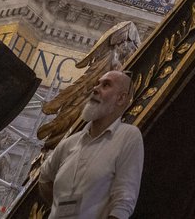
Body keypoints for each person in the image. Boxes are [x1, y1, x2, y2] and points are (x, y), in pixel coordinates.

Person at [37, 70, 144, 219]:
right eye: (97, 84)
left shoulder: (128, 137)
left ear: (120, 98)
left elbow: (123, 202)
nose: (95, 89)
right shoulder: (69, 143)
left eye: (106, 85)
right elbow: (44, 178)